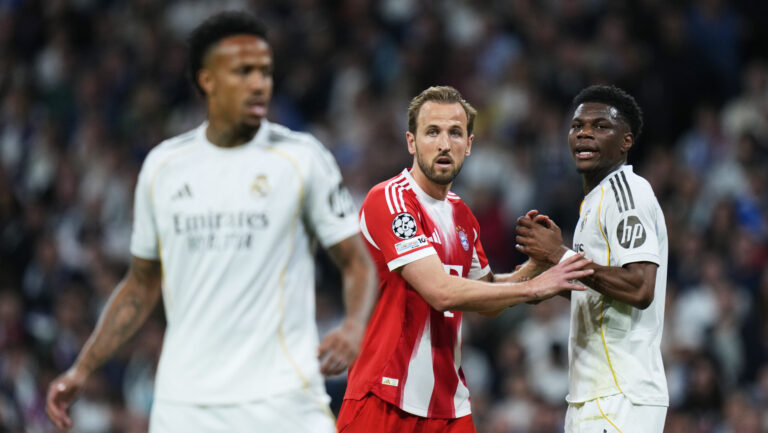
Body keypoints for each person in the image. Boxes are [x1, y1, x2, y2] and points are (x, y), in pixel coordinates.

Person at [45, 11, 377, 433]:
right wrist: (84, 366)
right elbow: (140, 285)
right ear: (207, 80)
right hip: (188, 403)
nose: (259, 83)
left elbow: (355, 261)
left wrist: (352, 326)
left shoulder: (303, 159)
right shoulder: (164, 167)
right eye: (244, 72)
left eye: (265, 72)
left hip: (281, 397)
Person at [337, 85, 595, 432]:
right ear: (411, 142)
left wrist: (535, 266)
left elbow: (484, 297)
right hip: (384, 398)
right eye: (433, 132)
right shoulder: (390, 201)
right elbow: (441, 292)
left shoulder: (462, 215)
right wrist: (534, 288)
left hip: (448, 405)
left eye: (455, 133)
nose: (445, 144)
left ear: (469, 145)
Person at [515, 84, 669, 432]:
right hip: (594, 394)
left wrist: (559, 254)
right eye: (577, 126)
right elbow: (600, 292)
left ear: (626, 141)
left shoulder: (627, 192)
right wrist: (550, 276)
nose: (584, 133)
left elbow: (640, 287)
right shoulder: (594, 202)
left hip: (620, 393)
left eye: (601, 126)